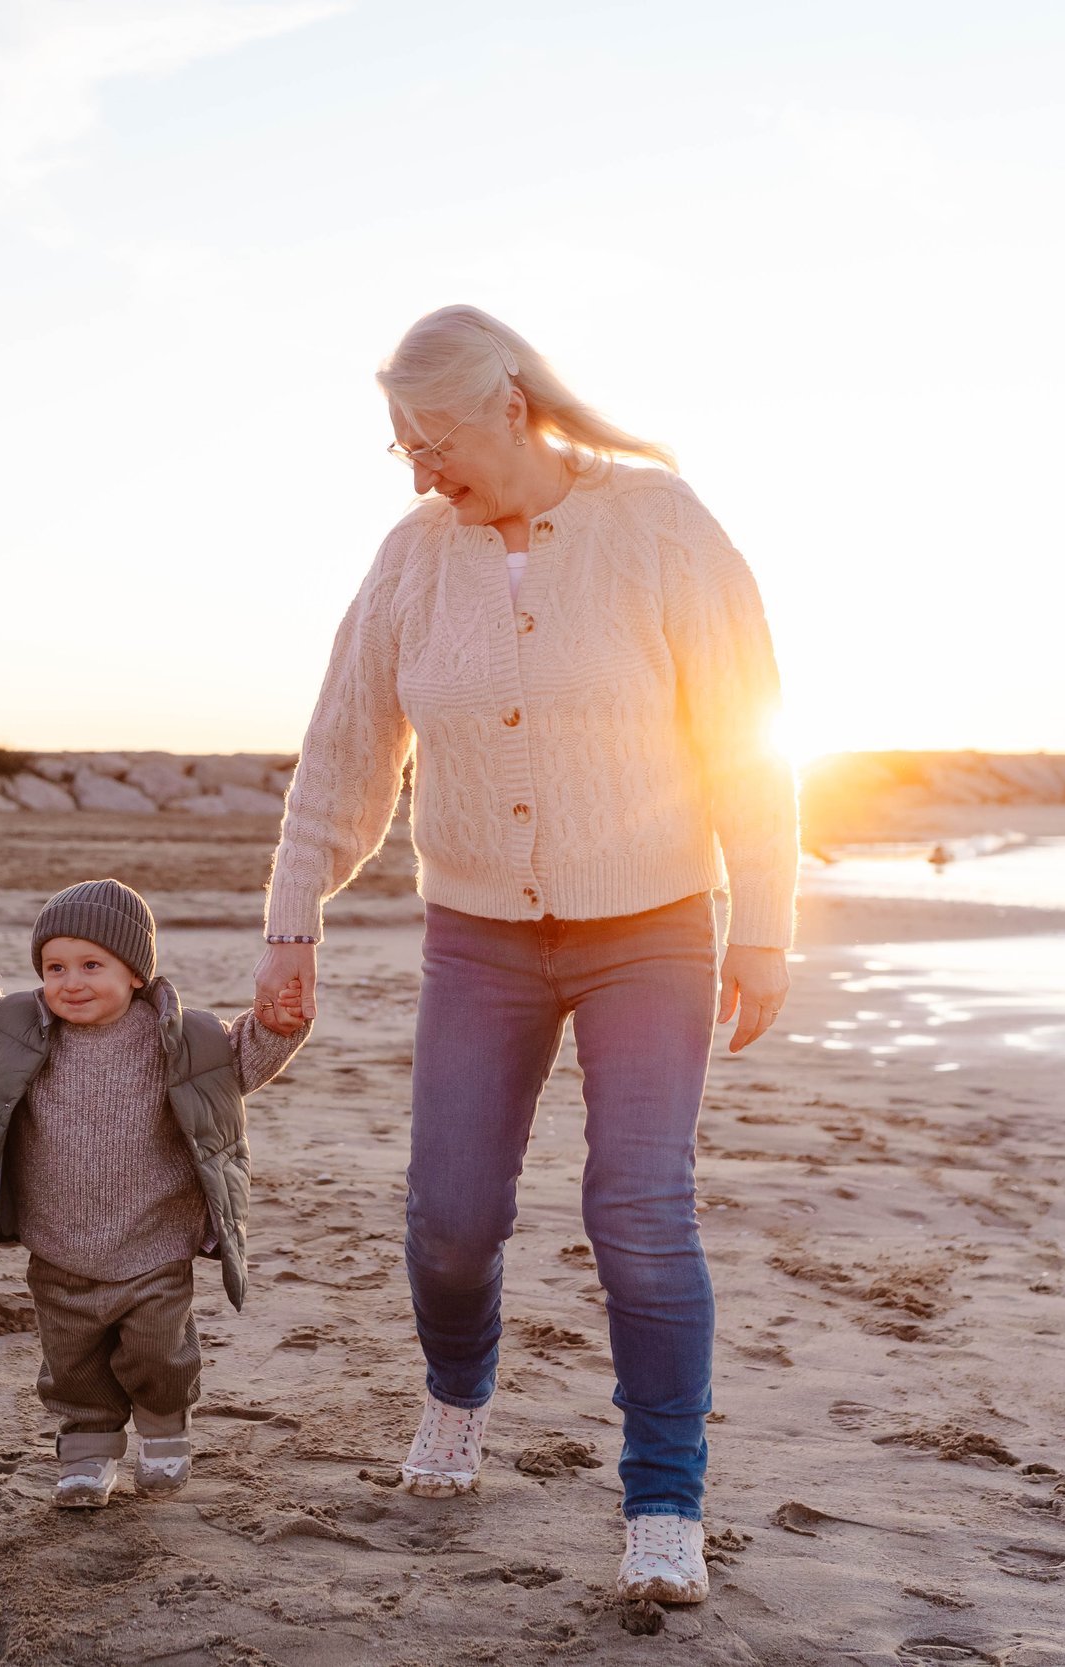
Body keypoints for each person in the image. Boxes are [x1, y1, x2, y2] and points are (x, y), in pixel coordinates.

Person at [251, 305, 797, 1603]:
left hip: (649, 926)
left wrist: (766, 919)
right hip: (480, 936)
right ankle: (456, 1396)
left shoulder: (659, 523)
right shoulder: (411, 559)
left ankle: (664, 1500)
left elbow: (748, 728)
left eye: (433, 437)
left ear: (508, 402)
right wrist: (292, 913)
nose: (422, 467)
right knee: (450, 1218)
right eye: (402, 448)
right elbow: (344, 748)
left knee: (640, 1214)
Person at [0, 879, 307, 1507]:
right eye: (55, 967)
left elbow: (244, 1060)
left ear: (135, 973)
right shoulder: (26, 1033)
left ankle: (163, 1433)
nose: (70, 982)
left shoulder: (180, 1040)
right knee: (73, 1362)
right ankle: (87, 1452)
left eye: (91, 965)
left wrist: (280, 1024)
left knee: (160, 1353)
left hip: (154, 1243)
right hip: (59, 1247)